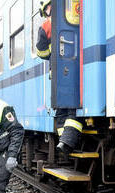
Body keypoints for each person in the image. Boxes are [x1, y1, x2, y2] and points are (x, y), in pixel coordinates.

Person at [36, 0, 83, 155]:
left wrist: (52, 51)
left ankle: (64, 141)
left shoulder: (44, 27)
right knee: (72, 109)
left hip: (58, 72)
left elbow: (41, 52)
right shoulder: (77, 14)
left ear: (47, 9)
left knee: (63, 108)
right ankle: (67, 142)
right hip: (77, 68)